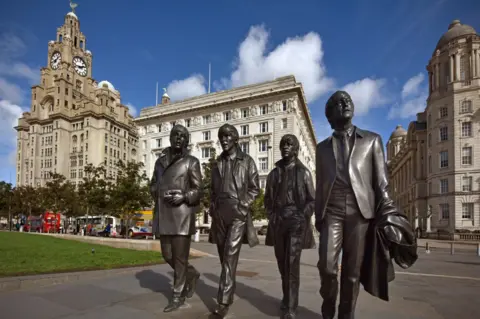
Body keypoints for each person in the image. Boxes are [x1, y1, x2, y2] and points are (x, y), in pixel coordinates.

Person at [315, 91, 416, 319]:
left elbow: (381, 183)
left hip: (360, 213)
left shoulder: (372, 140)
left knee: (352, 273)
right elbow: (320, 183)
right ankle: (328, 305)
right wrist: (318, 217)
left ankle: (346, 316)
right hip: (331, 210)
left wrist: (389, 215)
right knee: (327, 267)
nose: (345, 103)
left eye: (348, 100)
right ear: (330, 114)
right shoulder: (321, 148)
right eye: (338, 102)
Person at [208, 123, 260, 317]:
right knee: (224, 257)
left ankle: (222, 301)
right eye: (221, 136)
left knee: (230, 255)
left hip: (238, 212)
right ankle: (230, 288)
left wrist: (243, 206)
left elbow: (254, 188)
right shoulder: (217, 163)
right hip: (220, 213)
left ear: (236, 138)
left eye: (228, 136)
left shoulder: (247, 161)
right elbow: (212, 189)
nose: (224, 139)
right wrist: (212, 207)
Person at [150, 124, 203, 313]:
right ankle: (192, 274)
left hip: (182, 215)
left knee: (179, 259)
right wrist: (156, 191)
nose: (178, 138)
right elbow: (153, 184)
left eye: (182, 136)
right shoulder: (160, 162)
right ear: (170, 138)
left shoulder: (192, 162)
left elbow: (198, 190)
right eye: (175, 135)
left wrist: (183, 196)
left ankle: (177, 295)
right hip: (164, 214)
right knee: (167, 255)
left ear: (186, 141)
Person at [264, 134, 316, 319]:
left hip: (296, 221)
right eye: (283, 144)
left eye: (289, 144)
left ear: (296, 149)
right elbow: (267, 200)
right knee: (282, 264)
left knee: (292, 264)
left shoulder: (304, 172)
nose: (285, 147)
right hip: (279, 222)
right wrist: (272, 216)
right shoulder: (274, 173)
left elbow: (312, 200)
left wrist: (302, 216)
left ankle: (291, 308)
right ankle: (287, 297)